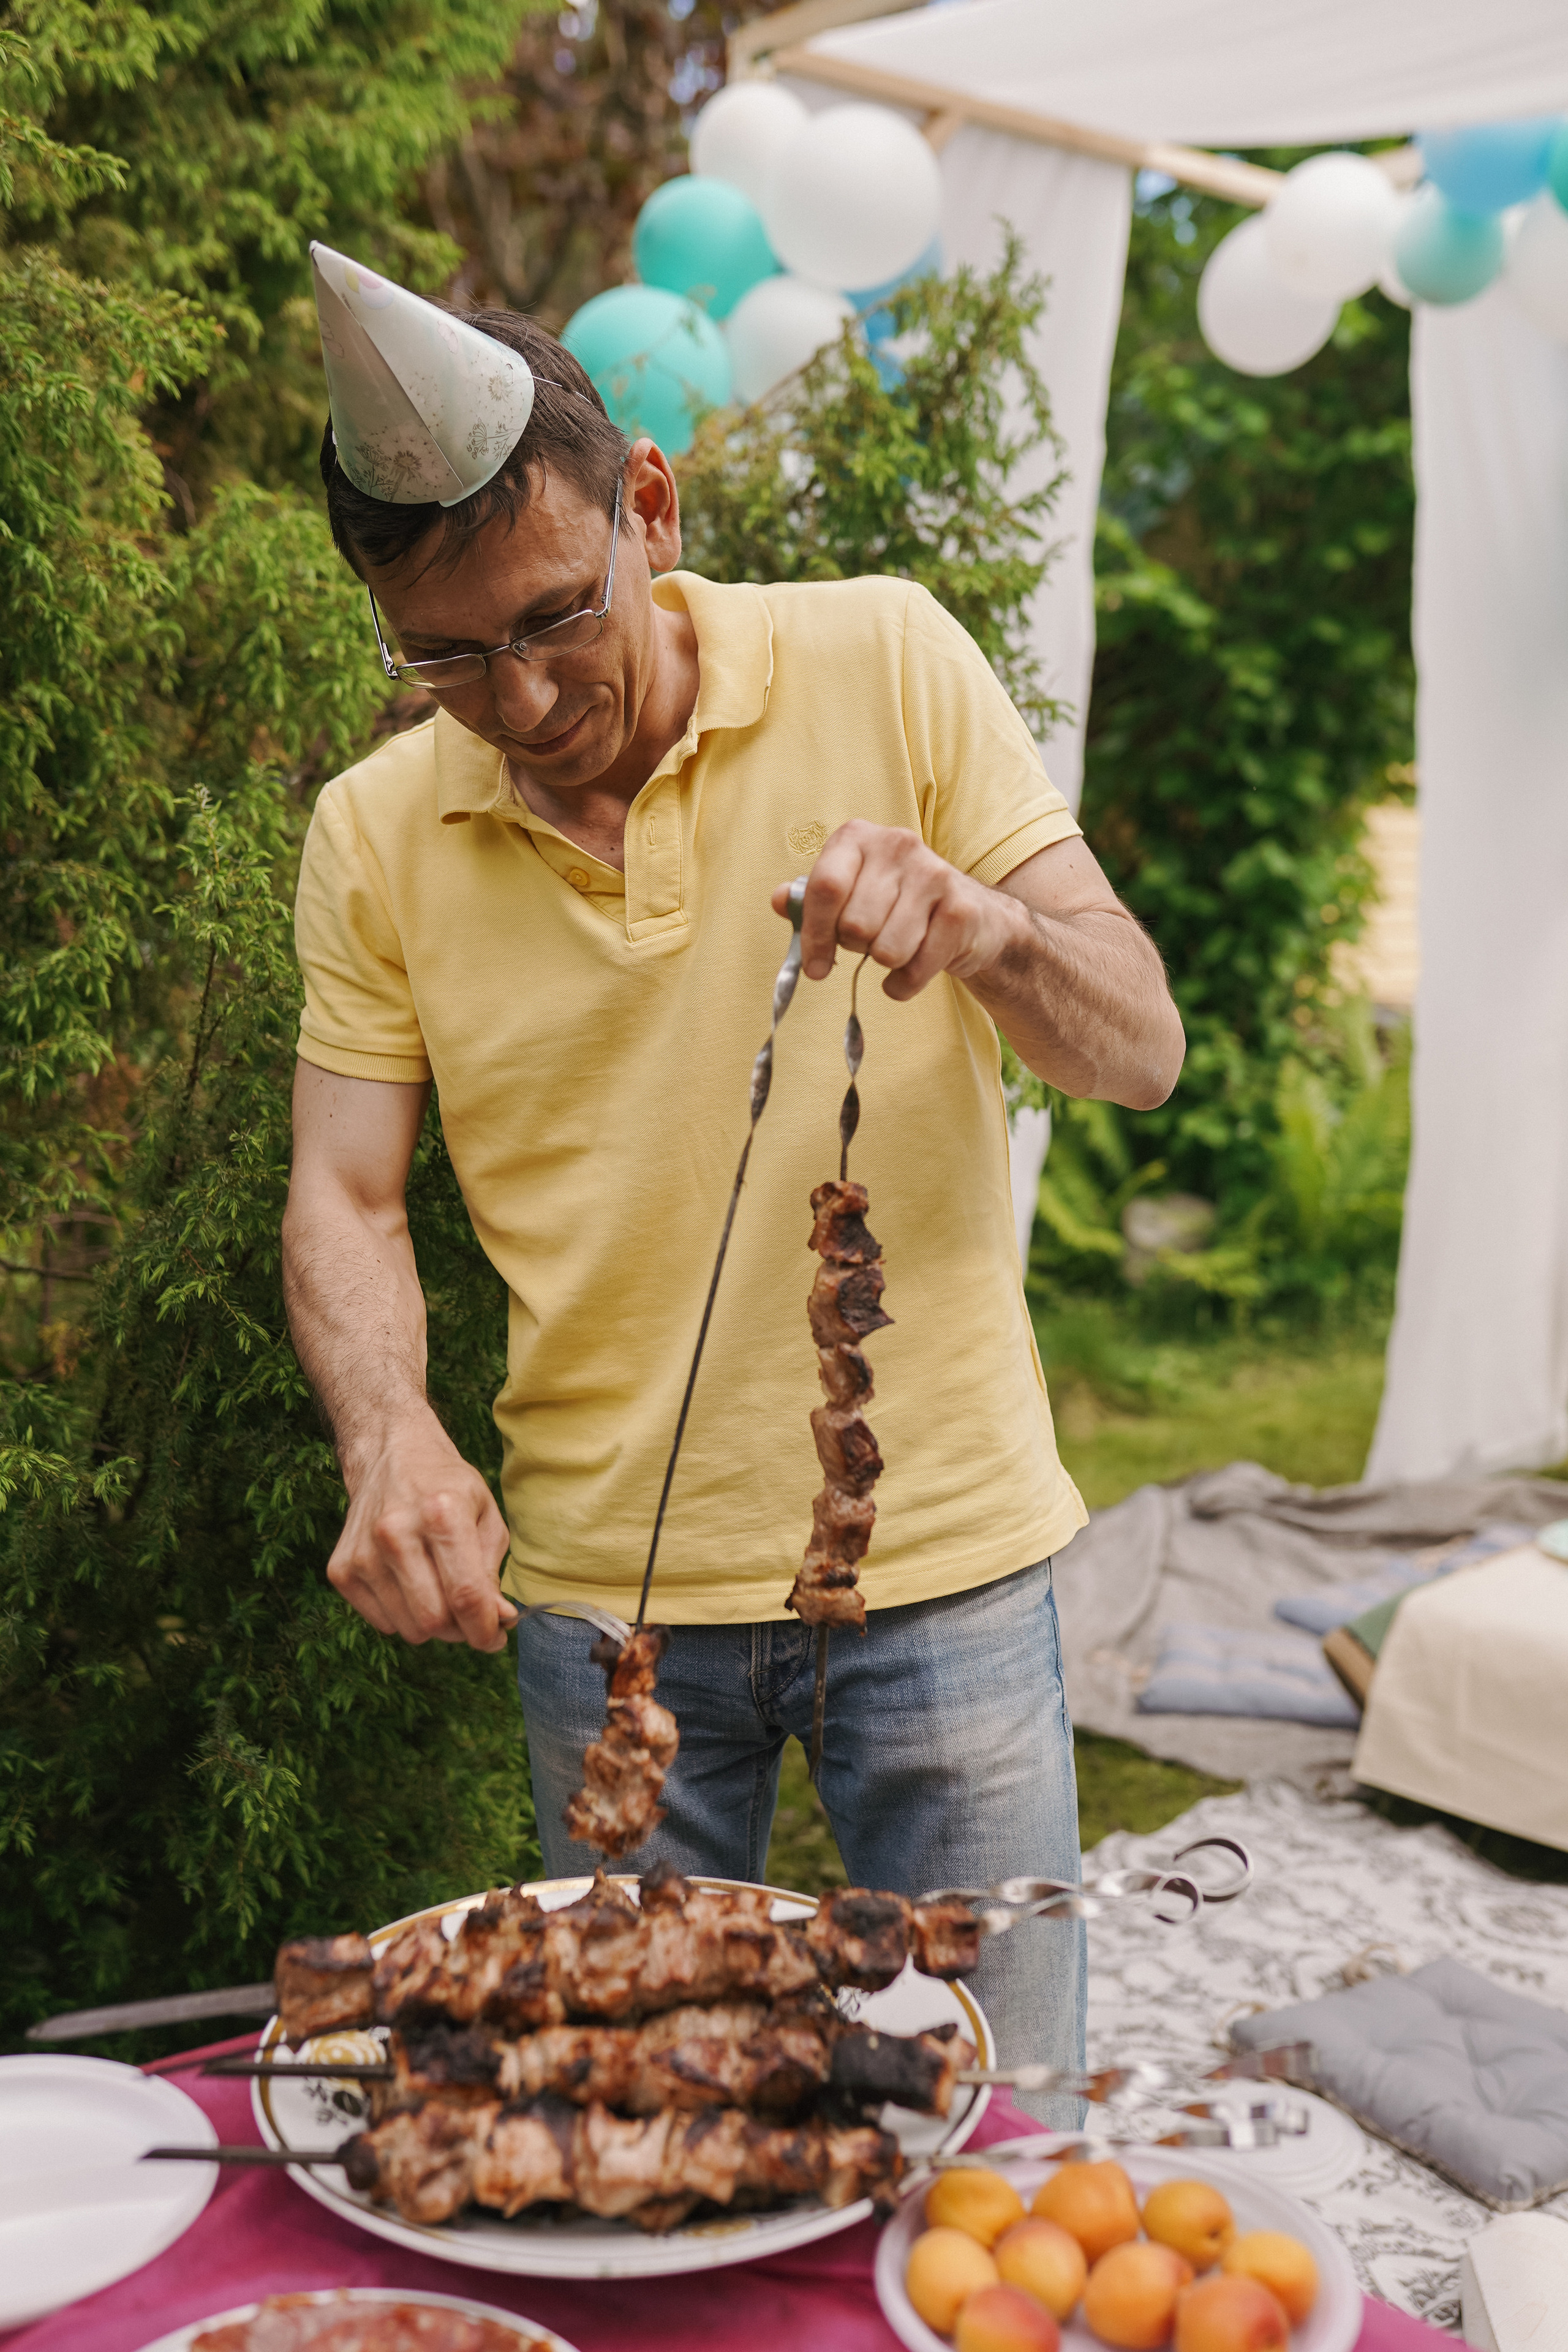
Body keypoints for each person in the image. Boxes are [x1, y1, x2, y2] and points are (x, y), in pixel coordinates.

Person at [283, 246, 1185, 2110]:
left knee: (1000, 2138)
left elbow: (1139, 1049)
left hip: (938, 1573)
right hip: (601, 1615)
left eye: (552, 618)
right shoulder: (371, 838)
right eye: (447, 657)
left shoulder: (888, 654)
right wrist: (388, 1432)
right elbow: (347, 1196)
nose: (522, 702)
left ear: (652, 509)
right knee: (646, 2137)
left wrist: (988, 928)